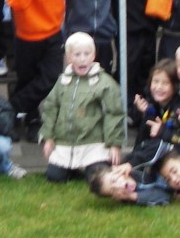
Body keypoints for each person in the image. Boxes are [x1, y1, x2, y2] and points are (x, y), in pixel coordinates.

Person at [4, 0, 81, 141]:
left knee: (51, 78)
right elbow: (16, 3)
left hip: (53, 33)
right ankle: (30, 120)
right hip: (26, 36)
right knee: (27, 80)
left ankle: (9, 109)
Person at [39, 32, 123, 182]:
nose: (82, 59)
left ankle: (93, 164)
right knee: (54, 177)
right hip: (64, 142)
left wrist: (114, 144)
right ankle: (70, 168)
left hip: (93, 143)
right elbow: (50, 108)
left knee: (95, 176)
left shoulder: (104, 82)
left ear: (94, 56)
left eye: (87, 54)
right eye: (77, 55)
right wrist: (48, 137)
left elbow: (114, 113)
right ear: (68, 58)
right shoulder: (62, 81)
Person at [109, 0, 155, 102]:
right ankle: (125, 104)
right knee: (128, 70)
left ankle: (144, 105)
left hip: (149, 33)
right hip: (128, 34)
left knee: (147, 68)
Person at [128, 59, 180, 167]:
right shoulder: (152, 102)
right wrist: (140, 111)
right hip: (157, 152)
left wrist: (162, 132)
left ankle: (132, 165)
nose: (159, 87)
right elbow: (140, 129)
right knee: (148, 120)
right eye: (155, 81)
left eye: (165, 83)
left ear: (175, 86)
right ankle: (132, 162)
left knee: (157, 144)